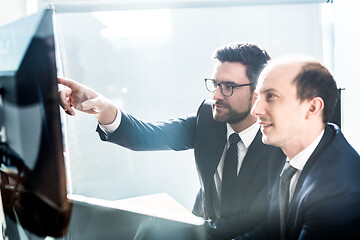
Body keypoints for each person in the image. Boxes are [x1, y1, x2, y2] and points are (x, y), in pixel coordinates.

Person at [58, 42, 283, 239]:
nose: (215, 95)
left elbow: (262, 223)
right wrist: (104, 108)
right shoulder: (208, 118)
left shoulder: (280, 142)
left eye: (228, 87)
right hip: (199, 231)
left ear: (257, 94)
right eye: (215, 84)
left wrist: (187, 231)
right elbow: (147, 135)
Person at [237, 56, 360, 240]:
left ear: (312, 107)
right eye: (257, 97)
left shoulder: (338, 190)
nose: (255, 110)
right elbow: (272, 230)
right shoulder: (280, 152)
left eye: (271, 96)